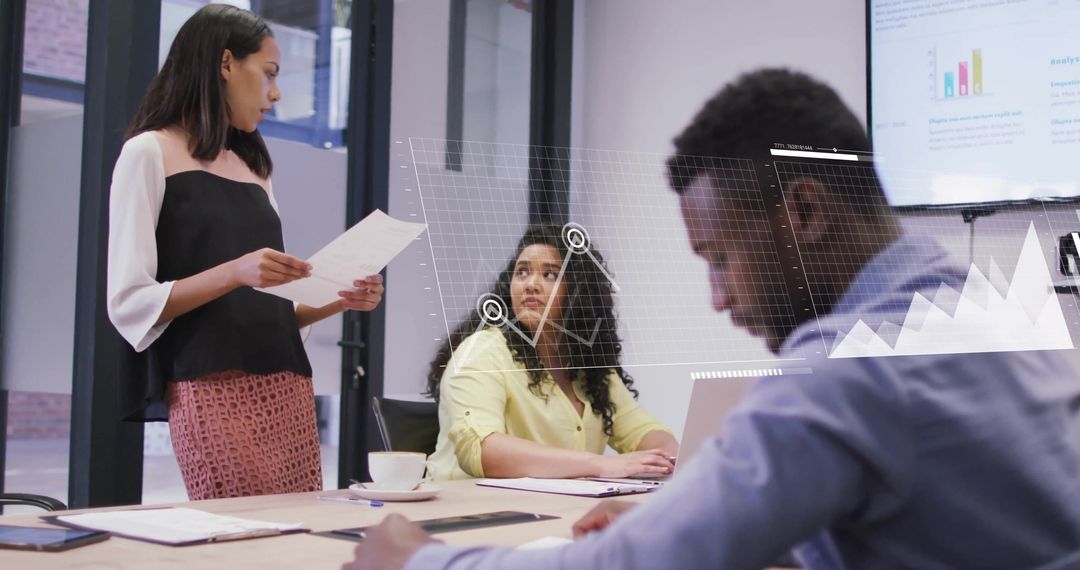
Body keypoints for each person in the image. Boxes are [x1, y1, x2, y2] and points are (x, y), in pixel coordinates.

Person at [343, 69, 1080, 569]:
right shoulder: (978, 304)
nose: (719, 298)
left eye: (720, 256)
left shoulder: (846, 369)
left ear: (805, 211)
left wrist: (420, 558)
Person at [107, 4, 384, 500]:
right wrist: (235, 271)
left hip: (288, 383)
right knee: (244, 534)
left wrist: (340, 298)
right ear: (226, 63)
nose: (276, 94)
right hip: (209, 387)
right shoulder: (147, 152)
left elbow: (270, 311)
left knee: (299, 535)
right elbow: (129, 302)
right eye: (270, 74)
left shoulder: (254, 167)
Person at [425, 223, 678, 481]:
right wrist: (598, 464)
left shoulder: (589, 366)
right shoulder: (482, 352)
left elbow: (641, 429)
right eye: (522, 272)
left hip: (558, 511)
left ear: (579, 291)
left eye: (550, 275)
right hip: (472, 513)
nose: (531, 284)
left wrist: (673, 458)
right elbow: (482, 449)